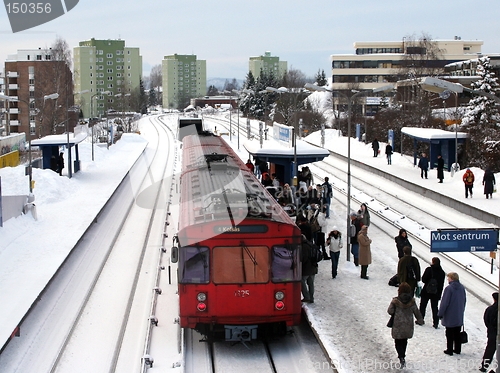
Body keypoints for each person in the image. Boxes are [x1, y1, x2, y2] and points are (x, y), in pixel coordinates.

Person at [387, 282, 424, 368]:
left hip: (398, 325)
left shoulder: (395, 301)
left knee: (397, 342)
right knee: (404, 341)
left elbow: (390, 311)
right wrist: (420, 320)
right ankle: (403, 355)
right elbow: (417, 312)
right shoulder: (412, 302)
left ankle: (401, 356)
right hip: (408, 325)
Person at [437, 272, 466, 356]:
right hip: (458, 313)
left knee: (449, 333)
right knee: (457, 332)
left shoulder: (449, 289)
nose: (448, 280)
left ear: (452, 279)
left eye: (448, 278)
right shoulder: (462, 288)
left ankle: (449, 349)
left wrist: (440, 313)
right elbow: (464, 300)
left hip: (450, 314)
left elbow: (445, 302)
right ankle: (457, 349)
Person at [419, 257, 446, 329]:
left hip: (426, 291)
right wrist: (439, 295)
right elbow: (441, 285)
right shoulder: (442, 273)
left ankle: (420, 319)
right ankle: (436, 323)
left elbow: (424, 279)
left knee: (423, 305)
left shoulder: (429, 270)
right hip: (436, 293)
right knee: (434, 308)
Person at [480, 292, 499, 372]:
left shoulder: (490, 309)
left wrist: (491, 328)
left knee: (490, 350)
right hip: (494, 332)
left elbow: (486, 320)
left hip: (492, 333)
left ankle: (484, 366)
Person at [300, 235, 317, 303]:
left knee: (302, 281)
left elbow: (303, 258)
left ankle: (306, 297)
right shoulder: (311, 244)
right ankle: (311, 298)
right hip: (313, 267)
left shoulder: (303, 247)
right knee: (311, 283)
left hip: (306, 268)